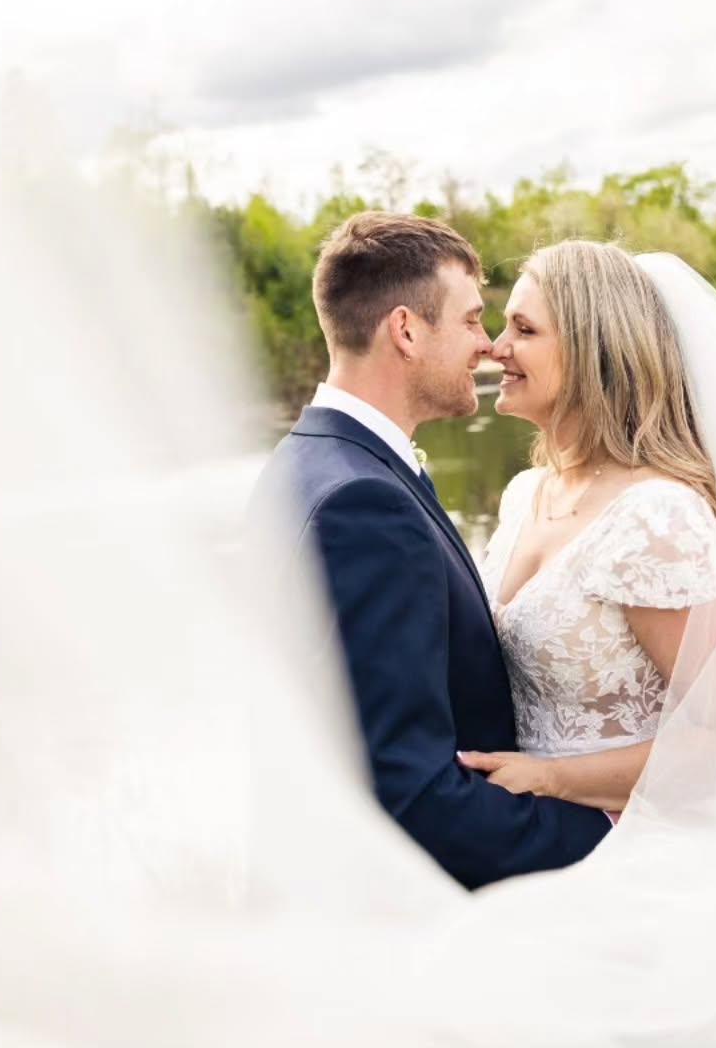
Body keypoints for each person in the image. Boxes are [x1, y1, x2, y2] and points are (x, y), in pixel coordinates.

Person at [250, 211, 610, 888]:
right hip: (401, 920)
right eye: (473, 320)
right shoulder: (364, 504)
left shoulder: (306, 462)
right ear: (407, 330)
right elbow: (410, 795)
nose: (489, 345)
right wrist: (605, 835)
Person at [457, 241, 716, 809]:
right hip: (525, 833)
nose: (496, 347)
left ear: (595, 352)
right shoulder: (524, 495)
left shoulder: (654, 517)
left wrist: (553, 778)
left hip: (634, 840)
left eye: (524, 330)